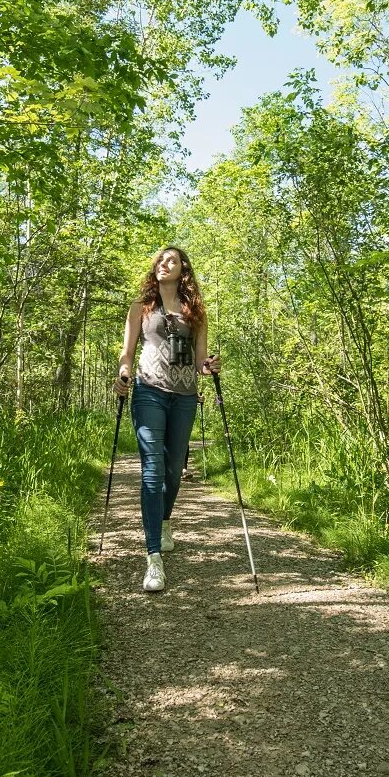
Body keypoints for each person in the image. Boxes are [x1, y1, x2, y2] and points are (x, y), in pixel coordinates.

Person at [114, 246, 220, 592]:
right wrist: (123, 375)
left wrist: (210, 367)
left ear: (183, 268)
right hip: (149, 391)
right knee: (152, 469)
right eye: (160, 260)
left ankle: (163, 521)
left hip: (186, 395)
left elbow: (201, 361)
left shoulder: (195, 313)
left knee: (174, 468)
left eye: (171, 260)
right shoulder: (140, 308)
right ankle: (153, 558)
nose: (164, 264)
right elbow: (127, 353)